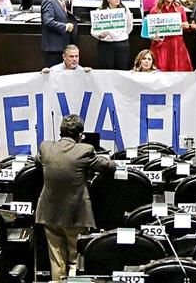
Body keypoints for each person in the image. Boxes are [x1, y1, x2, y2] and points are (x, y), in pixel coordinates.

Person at [35, 113, 115, 283]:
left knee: (56, 262)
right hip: (76, 215)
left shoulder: (45, 147)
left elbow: (37, 161)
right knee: (75, 260)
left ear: (60, 132)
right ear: (80, 135)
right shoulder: (85, 150)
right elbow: (109, 167)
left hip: (49, 214)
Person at [148, 0, 192, 71]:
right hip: (161, 44)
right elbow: (150, 32)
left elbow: (186, 27)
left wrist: (186, 26)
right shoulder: (155, 10)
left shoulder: (180, 8)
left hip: (176, 43)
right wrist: (153, 37)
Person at [94, 0, 133, 70]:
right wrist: (99, 35)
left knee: (122, 70)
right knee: (106, 71)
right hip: (106, 45)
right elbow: (94, 30)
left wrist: (122, 35)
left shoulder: (125, 10)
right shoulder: (100, 11)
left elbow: (129, 26)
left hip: (122, 45)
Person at [41, 0, 76, 67]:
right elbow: (48, 22)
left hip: (59, 47)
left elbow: (59, 7)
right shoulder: (48, 1)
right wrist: (65, 27)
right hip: (54, 48)